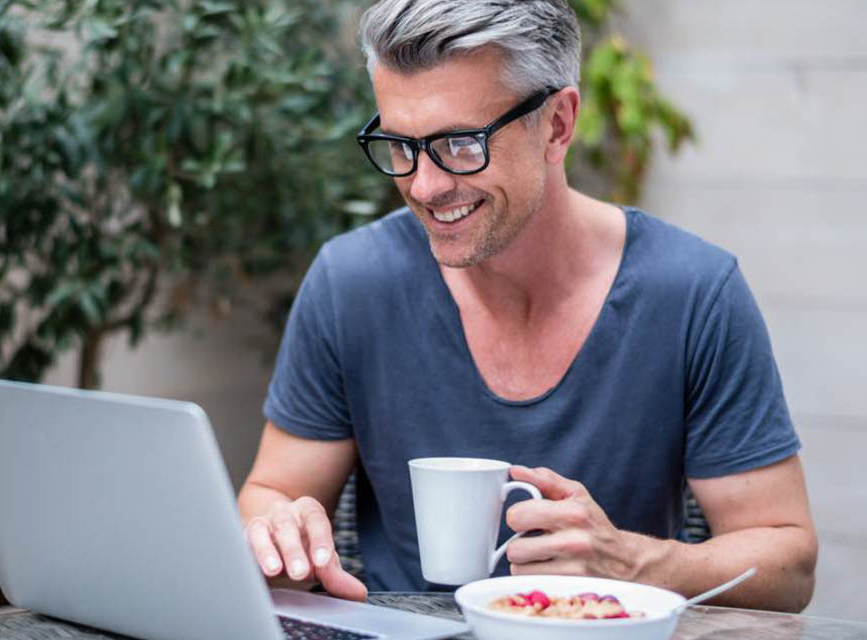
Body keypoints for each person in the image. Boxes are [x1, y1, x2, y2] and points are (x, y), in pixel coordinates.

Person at [236, 0, 817, 612]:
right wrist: (279, 532)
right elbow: (272, 490)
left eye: (460, 144)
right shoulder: (351, 281)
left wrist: (631, 562)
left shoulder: (695, 292)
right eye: (399, 145)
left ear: (558, 125)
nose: (425, 186)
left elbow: (789, 562)